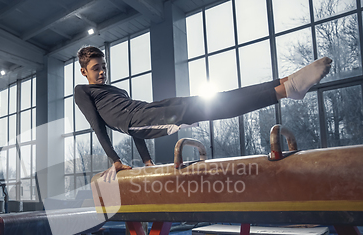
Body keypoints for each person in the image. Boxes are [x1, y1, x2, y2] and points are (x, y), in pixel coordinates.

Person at [74, 46, 332, 180]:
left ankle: (286, 82)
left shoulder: (116, 90)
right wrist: (115, 160)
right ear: (84, 71)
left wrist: (148, 162)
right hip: (139, 119)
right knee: (211, 107)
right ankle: (285, 91)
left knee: (208, 99)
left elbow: (136, 135)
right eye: (96, 68)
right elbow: (99, 126)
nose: (102, 72)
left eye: (104, 67)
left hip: (146, 109)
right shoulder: (82, 92)